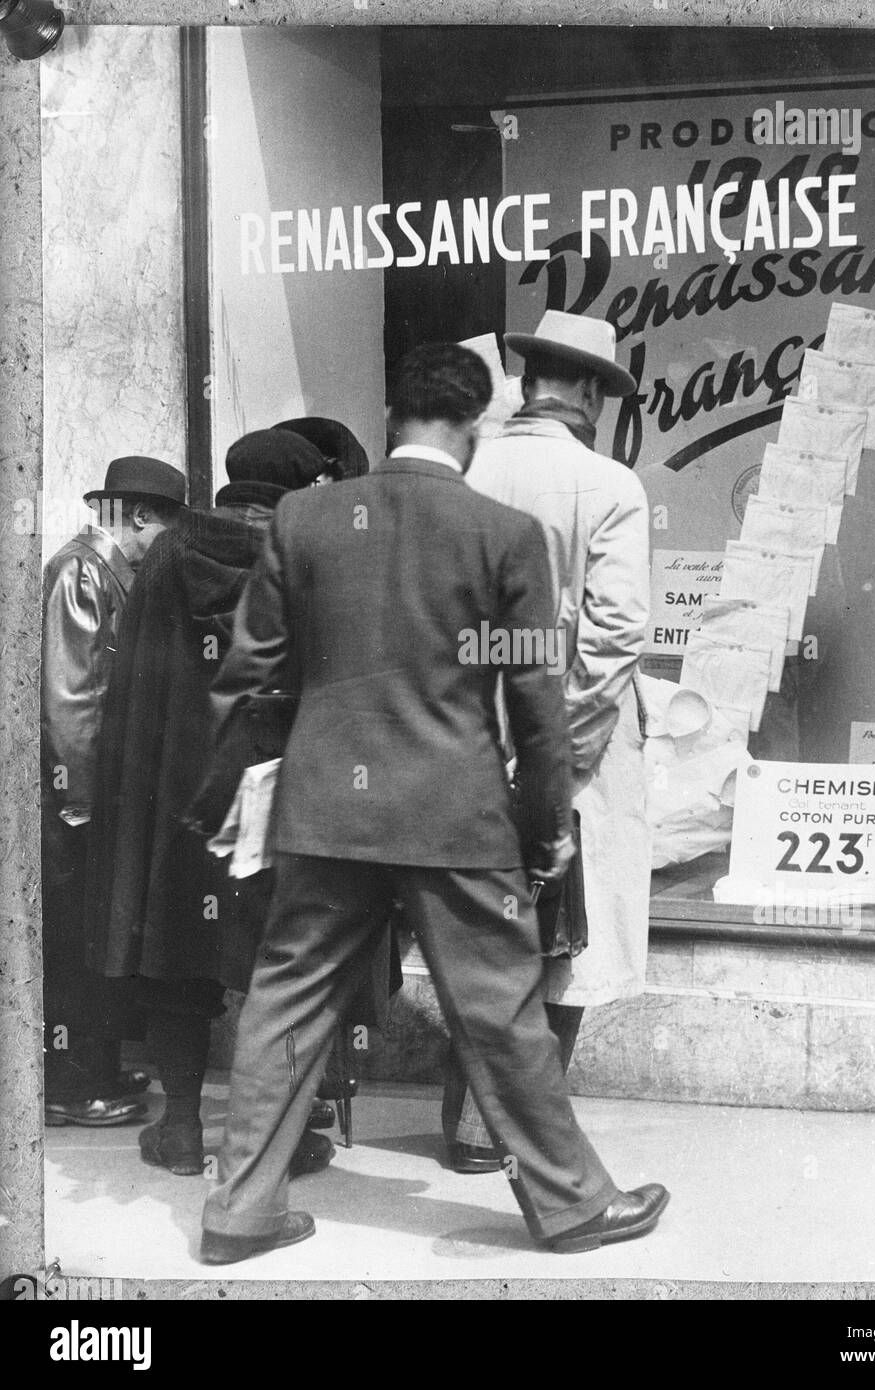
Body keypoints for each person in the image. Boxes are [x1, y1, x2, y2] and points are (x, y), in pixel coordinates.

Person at [194, 343, 668, 1263]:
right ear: (475, 422)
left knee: (284, 1007)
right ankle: (570, 1205)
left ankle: (238, 1213)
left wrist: (220, 800)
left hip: (326, 811)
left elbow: (250, 673)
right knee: (499, 1012)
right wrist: (545, 829)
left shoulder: (303, 517)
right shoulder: (499, 534)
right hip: (456, 816)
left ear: (387, 418)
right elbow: (534, 703)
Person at [84, 429, 377, 1178]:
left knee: (179, 962)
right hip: (284, 797)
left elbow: (134, 693)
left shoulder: (167, 557)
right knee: (281, 967)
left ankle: (180, 1128)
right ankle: (285, 1133)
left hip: (185, 801)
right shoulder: (312, 554)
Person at [443, 309, 652, 1169]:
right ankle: (514, 1132)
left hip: (464, 736)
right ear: (593, 395)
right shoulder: (609, 486)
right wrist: (560, 757)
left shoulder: (463, 471)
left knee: (480, 931)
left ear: (528, 383)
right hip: (574, 748)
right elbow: (613, 636)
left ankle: (462, 1120)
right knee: (571, 936)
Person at [41, 455, 185, 1126]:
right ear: (141, 517)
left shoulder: (110, 572)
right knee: (70, 942)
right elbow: (69, 698)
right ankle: (68, 1088)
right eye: (165, 528)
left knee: (92, 941)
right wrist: (83, 800)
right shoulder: (79, 571)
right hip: (77, 800)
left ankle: (91, 1068)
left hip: (99, 796)